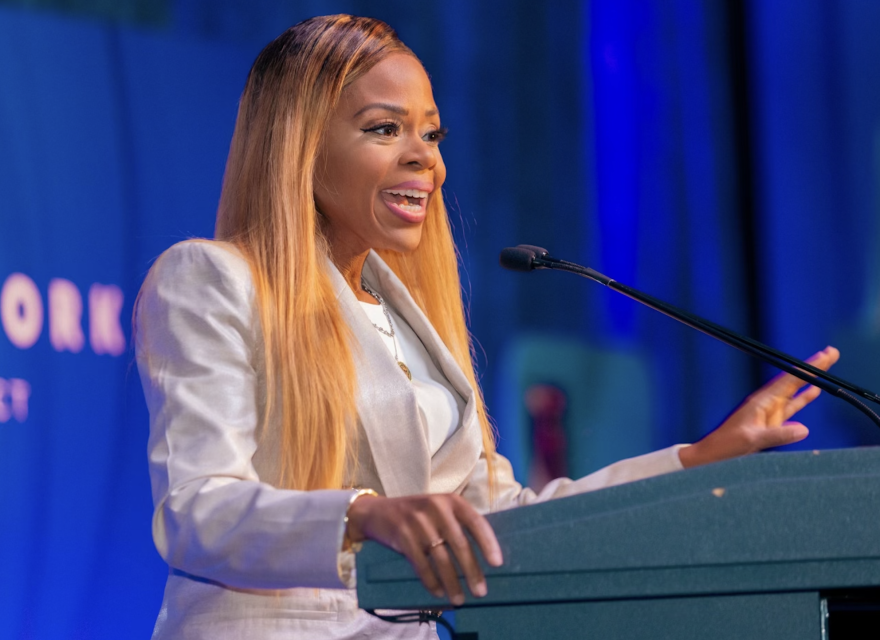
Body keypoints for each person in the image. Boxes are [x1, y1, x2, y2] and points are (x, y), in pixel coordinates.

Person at [134, 14, 840, 640]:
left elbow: (506, 516)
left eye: (431, 134)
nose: (425, 158)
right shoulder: (213, 279)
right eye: (384, 129)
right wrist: (361, 515)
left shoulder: (408, 322)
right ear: (300, 146)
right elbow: (201, 512)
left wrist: (699, 460)